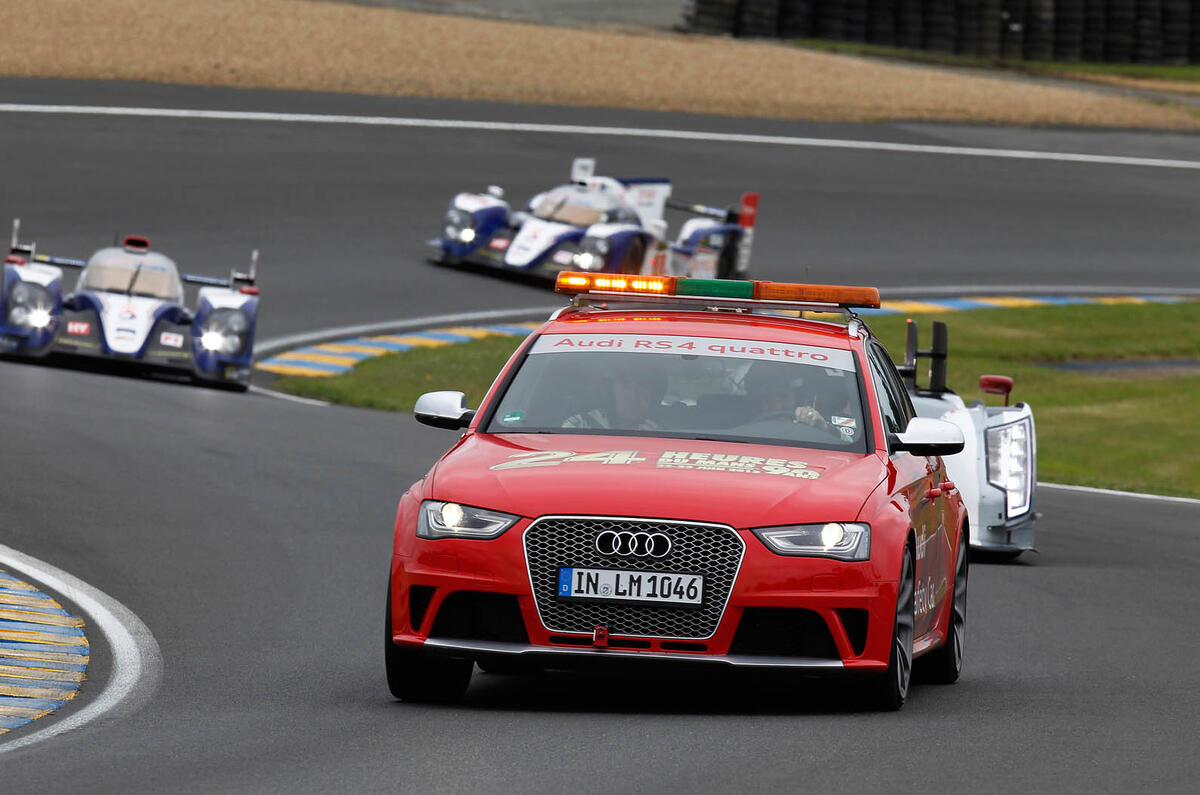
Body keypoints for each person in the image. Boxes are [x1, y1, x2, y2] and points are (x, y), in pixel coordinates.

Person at [562, 359, 664, 431]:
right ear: (611, 391)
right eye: (625, 386)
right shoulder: (579, 427)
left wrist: (659, 442)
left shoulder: (673, 432)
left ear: (655, 395)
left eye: (642, 388)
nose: (633, 397)